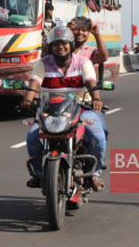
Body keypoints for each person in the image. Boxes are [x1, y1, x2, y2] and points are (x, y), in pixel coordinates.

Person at [22, 26, 107, 191]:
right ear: (50, 47)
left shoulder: (83, 62)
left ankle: (94, 173)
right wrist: (27, 99)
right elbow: (34, 83)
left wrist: (96, 99)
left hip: (82, 110)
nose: (60, 47)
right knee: (32, 137)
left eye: (64, 43)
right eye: (56, 44)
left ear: (70, 44)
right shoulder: (43, 64)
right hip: (50, 111)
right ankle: (39, 173)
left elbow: (90, 81)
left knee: (97, 136)